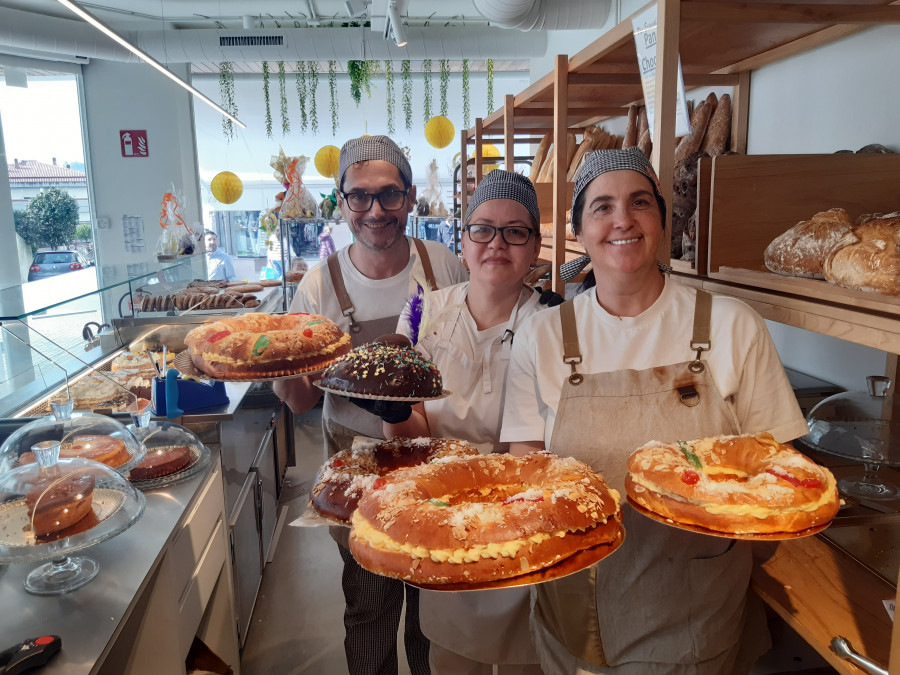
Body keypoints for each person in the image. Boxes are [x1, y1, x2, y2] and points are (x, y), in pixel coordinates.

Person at [500, 147, 810, 675]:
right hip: (573, 596)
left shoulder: (731, 325)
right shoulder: (542, 334)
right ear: (578, 229)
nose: (622, 219)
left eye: (639, 202)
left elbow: (781, 467)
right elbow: (527, 460)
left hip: (694, 603)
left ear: (662, 221)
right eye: (601, 206)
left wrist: (732, 552)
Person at [273, 134, 468, 675]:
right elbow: (299, 401)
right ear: (341, 201)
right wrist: (286, 370)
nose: (375, 210)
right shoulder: (320, 286)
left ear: (409, 197)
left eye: (389, 195)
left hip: (434, 462)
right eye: (359, 196)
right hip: (357, 472)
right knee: (369, 604)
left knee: (434, 602)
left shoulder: (442, 266)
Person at [381, 170, 552, 675]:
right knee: (454, 660)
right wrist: (394, 411)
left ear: (536, 243)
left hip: (521, 525)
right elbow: (412, 431)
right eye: (483, 228)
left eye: (515, 231)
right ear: (463, 237)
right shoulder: (421, 313)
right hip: (445, 523)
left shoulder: (554, 323)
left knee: (528, 659)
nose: (496, 244)